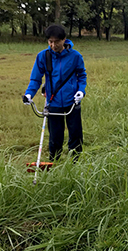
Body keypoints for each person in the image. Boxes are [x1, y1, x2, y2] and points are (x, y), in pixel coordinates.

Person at [22, 24, 87, 161]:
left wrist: (81, 91)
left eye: (56, 42)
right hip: (53, 102)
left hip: (72, 102)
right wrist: (29, 94)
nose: (53, 45)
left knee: (75, 135)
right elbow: (36, 79)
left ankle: (75, 163)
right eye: (50, 42)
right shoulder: (43, 56)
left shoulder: (75, 56)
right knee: (55, 137)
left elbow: (81, 75)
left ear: (64, 40)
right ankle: (54, 163)